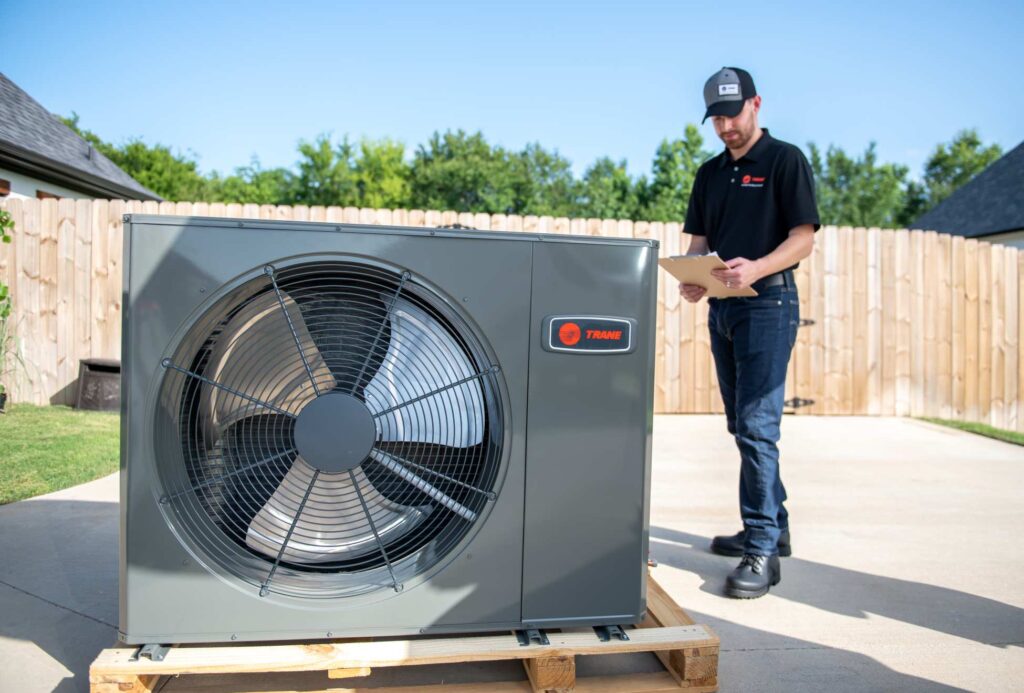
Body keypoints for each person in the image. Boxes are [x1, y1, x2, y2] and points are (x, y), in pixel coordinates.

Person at [680, 67, 820, 599]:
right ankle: (772, 528)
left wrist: (757, 268)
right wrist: (693, 276)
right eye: (716, 119)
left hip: (769, 304)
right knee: (742, 425)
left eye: (732, 115)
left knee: (758, 427)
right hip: (724, 308)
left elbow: (803, 239)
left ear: (756, 104)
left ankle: (761, 549)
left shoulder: (785, 161)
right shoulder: (709, 173)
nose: (725, 127)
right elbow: (699, 243)